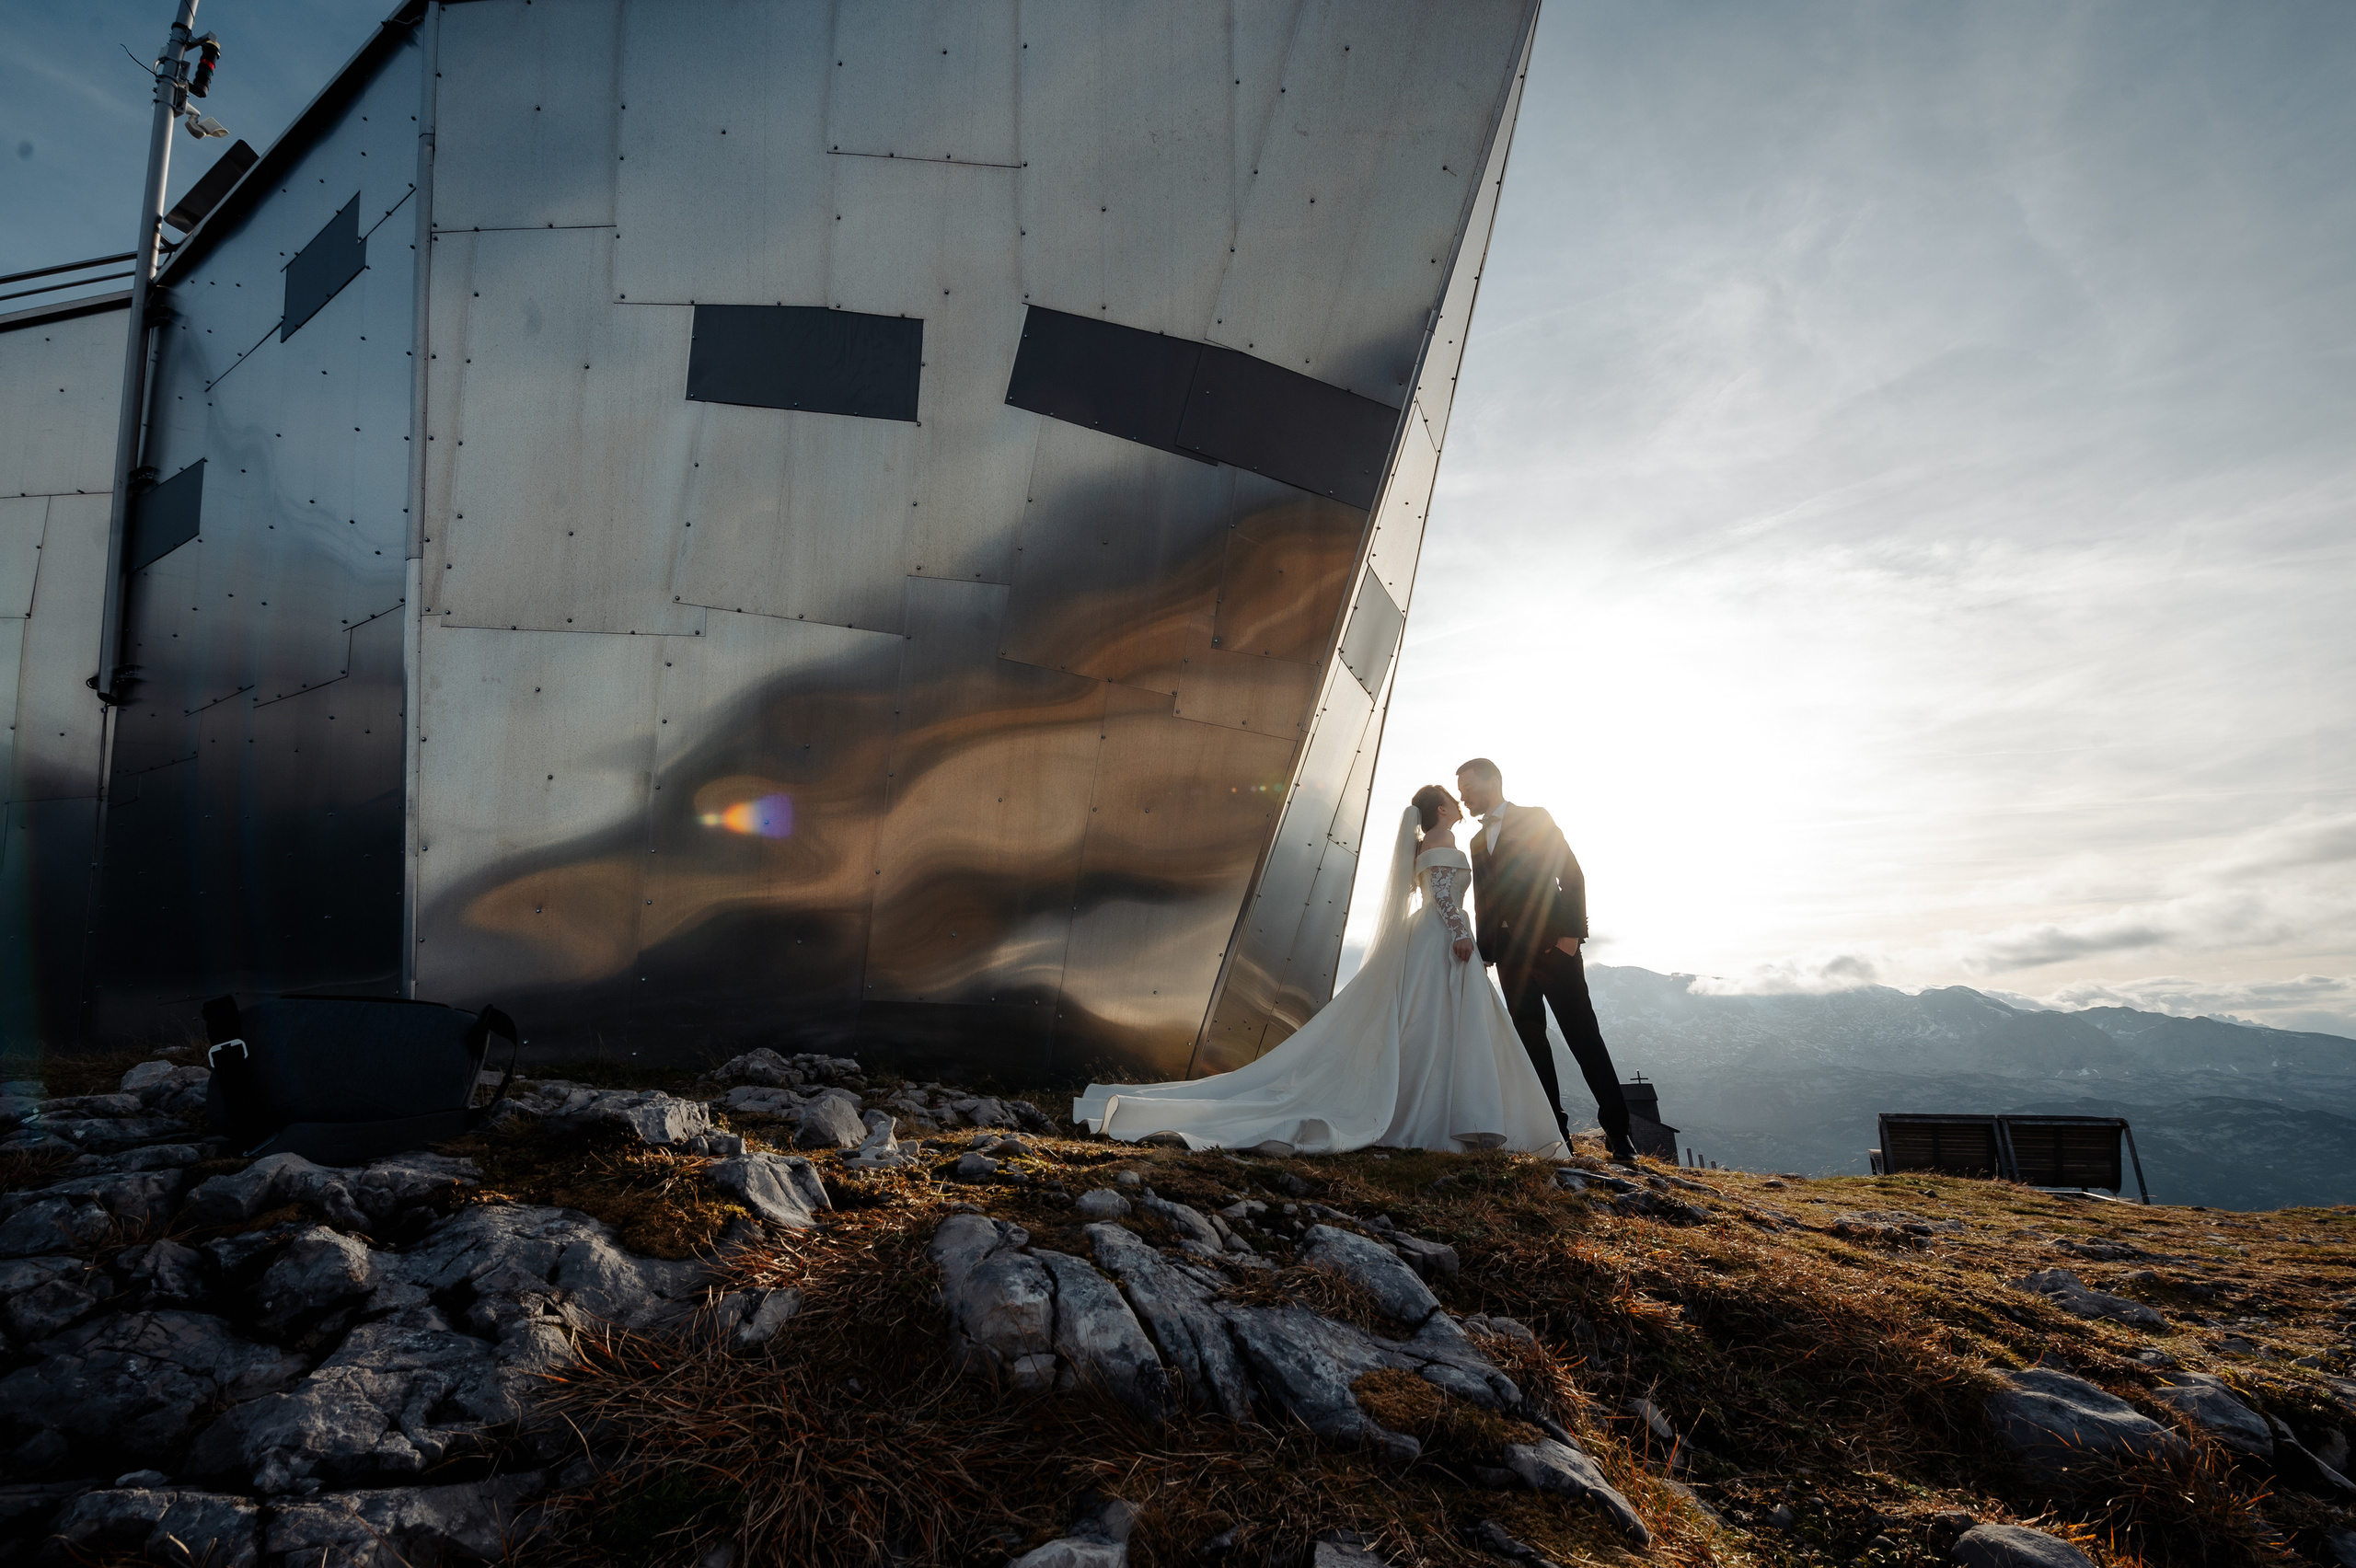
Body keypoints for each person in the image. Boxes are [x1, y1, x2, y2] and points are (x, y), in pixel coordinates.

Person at [1073, 785, 1565, 1156]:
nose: (1460, 805)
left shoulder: (1424, 845)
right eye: (1452, 801)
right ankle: (1442, 1114)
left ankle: (1445, 1110)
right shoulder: (1445, 844)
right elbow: (1442, 895)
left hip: (1428, 938)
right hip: (1443, 939)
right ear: (1440, 810)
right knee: (1440, 1024)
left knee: (1424, 1023)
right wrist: (1461, 934)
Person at [1454, 756, 1637, 1161]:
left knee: (1584, 1038)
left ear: (1491, 782)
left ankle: (1619, 1134)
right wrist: (1487, 953)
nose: (1462, 797)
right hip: (1510, 960)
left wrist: (1571, 936)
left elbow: (1570, 873)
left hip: (1555, 949)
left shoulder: (1535, 817)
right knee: (1532, 1046)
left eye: (1467, 788)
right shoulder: (1476, 841)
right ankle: (1557, 1135)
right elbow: (1485, 900)